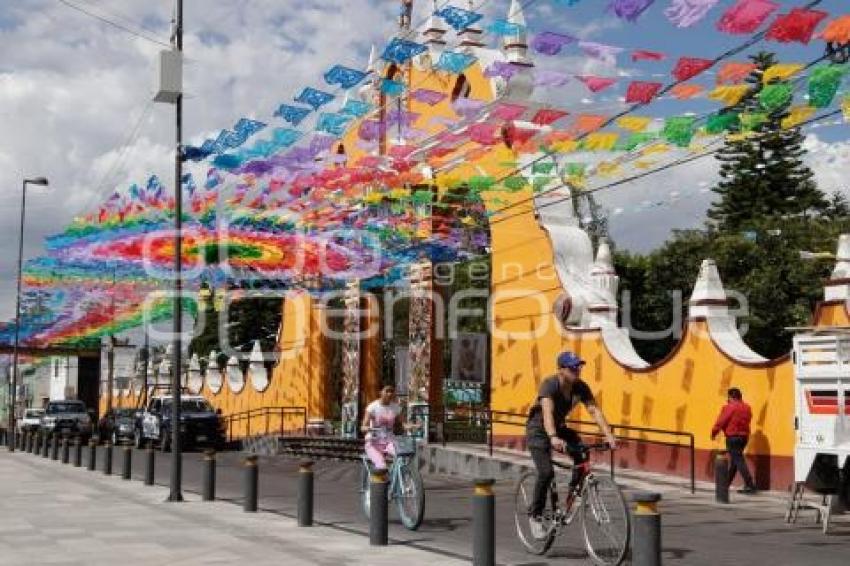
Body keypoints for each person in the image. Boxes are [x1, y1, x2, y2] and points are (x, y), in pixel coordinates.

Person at [526, 352, 617, 538]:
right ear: (560, 370)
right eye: (573, 367)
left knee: (582, 451)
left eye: (579, 367)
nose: (577, 370)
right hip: (539, 430)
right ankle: (535, 516)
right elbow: (547, 413)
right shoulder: (550, 385)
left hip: (558, 428)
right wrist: (552, 437)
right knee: (546, 472)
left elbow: (594, 410)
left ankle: (573, 494)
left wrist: (609, 435)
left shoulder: (580, 387)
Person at [711, 387, 757, 494]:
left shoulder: (729, 407)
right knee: (735, 461)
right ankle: (726, 484)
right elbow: (748, 419)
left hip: (733, 437)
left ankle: (750, 484)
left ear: (731, 397)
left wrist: (714, 432)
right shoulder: (747, 407)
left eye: (728, 397)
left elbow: (721, 421)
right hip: (744, 437)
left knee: (738, 460)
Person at [361, 385, 403, 470]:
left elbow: (402, 423)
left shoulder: (396, 407)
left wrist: (411, 426)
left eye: (391, 391)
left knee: (401, 457)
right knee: (381, 465)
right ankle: (379, 481)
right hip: (373, 442)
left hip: (390, 441)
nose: (389, 394)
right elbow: (364, 425)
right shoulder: (372, 407)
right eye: (387, 391)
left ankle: (396, 478)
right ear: (380, 392)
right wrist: (365, 428)